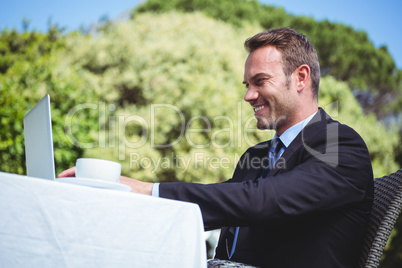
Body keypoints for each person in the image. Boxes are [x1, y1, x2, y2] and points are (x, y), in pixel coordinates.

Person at [59, 28, 374, 268]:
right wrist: (114, 195)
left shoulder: (339, 146)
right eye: (247, 85)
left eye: (260, 81)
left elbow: (264, 200)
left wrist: (147, 189)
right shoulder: (257, 156)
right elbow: (215, 206)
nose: (249, 96)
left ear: (301, 77)